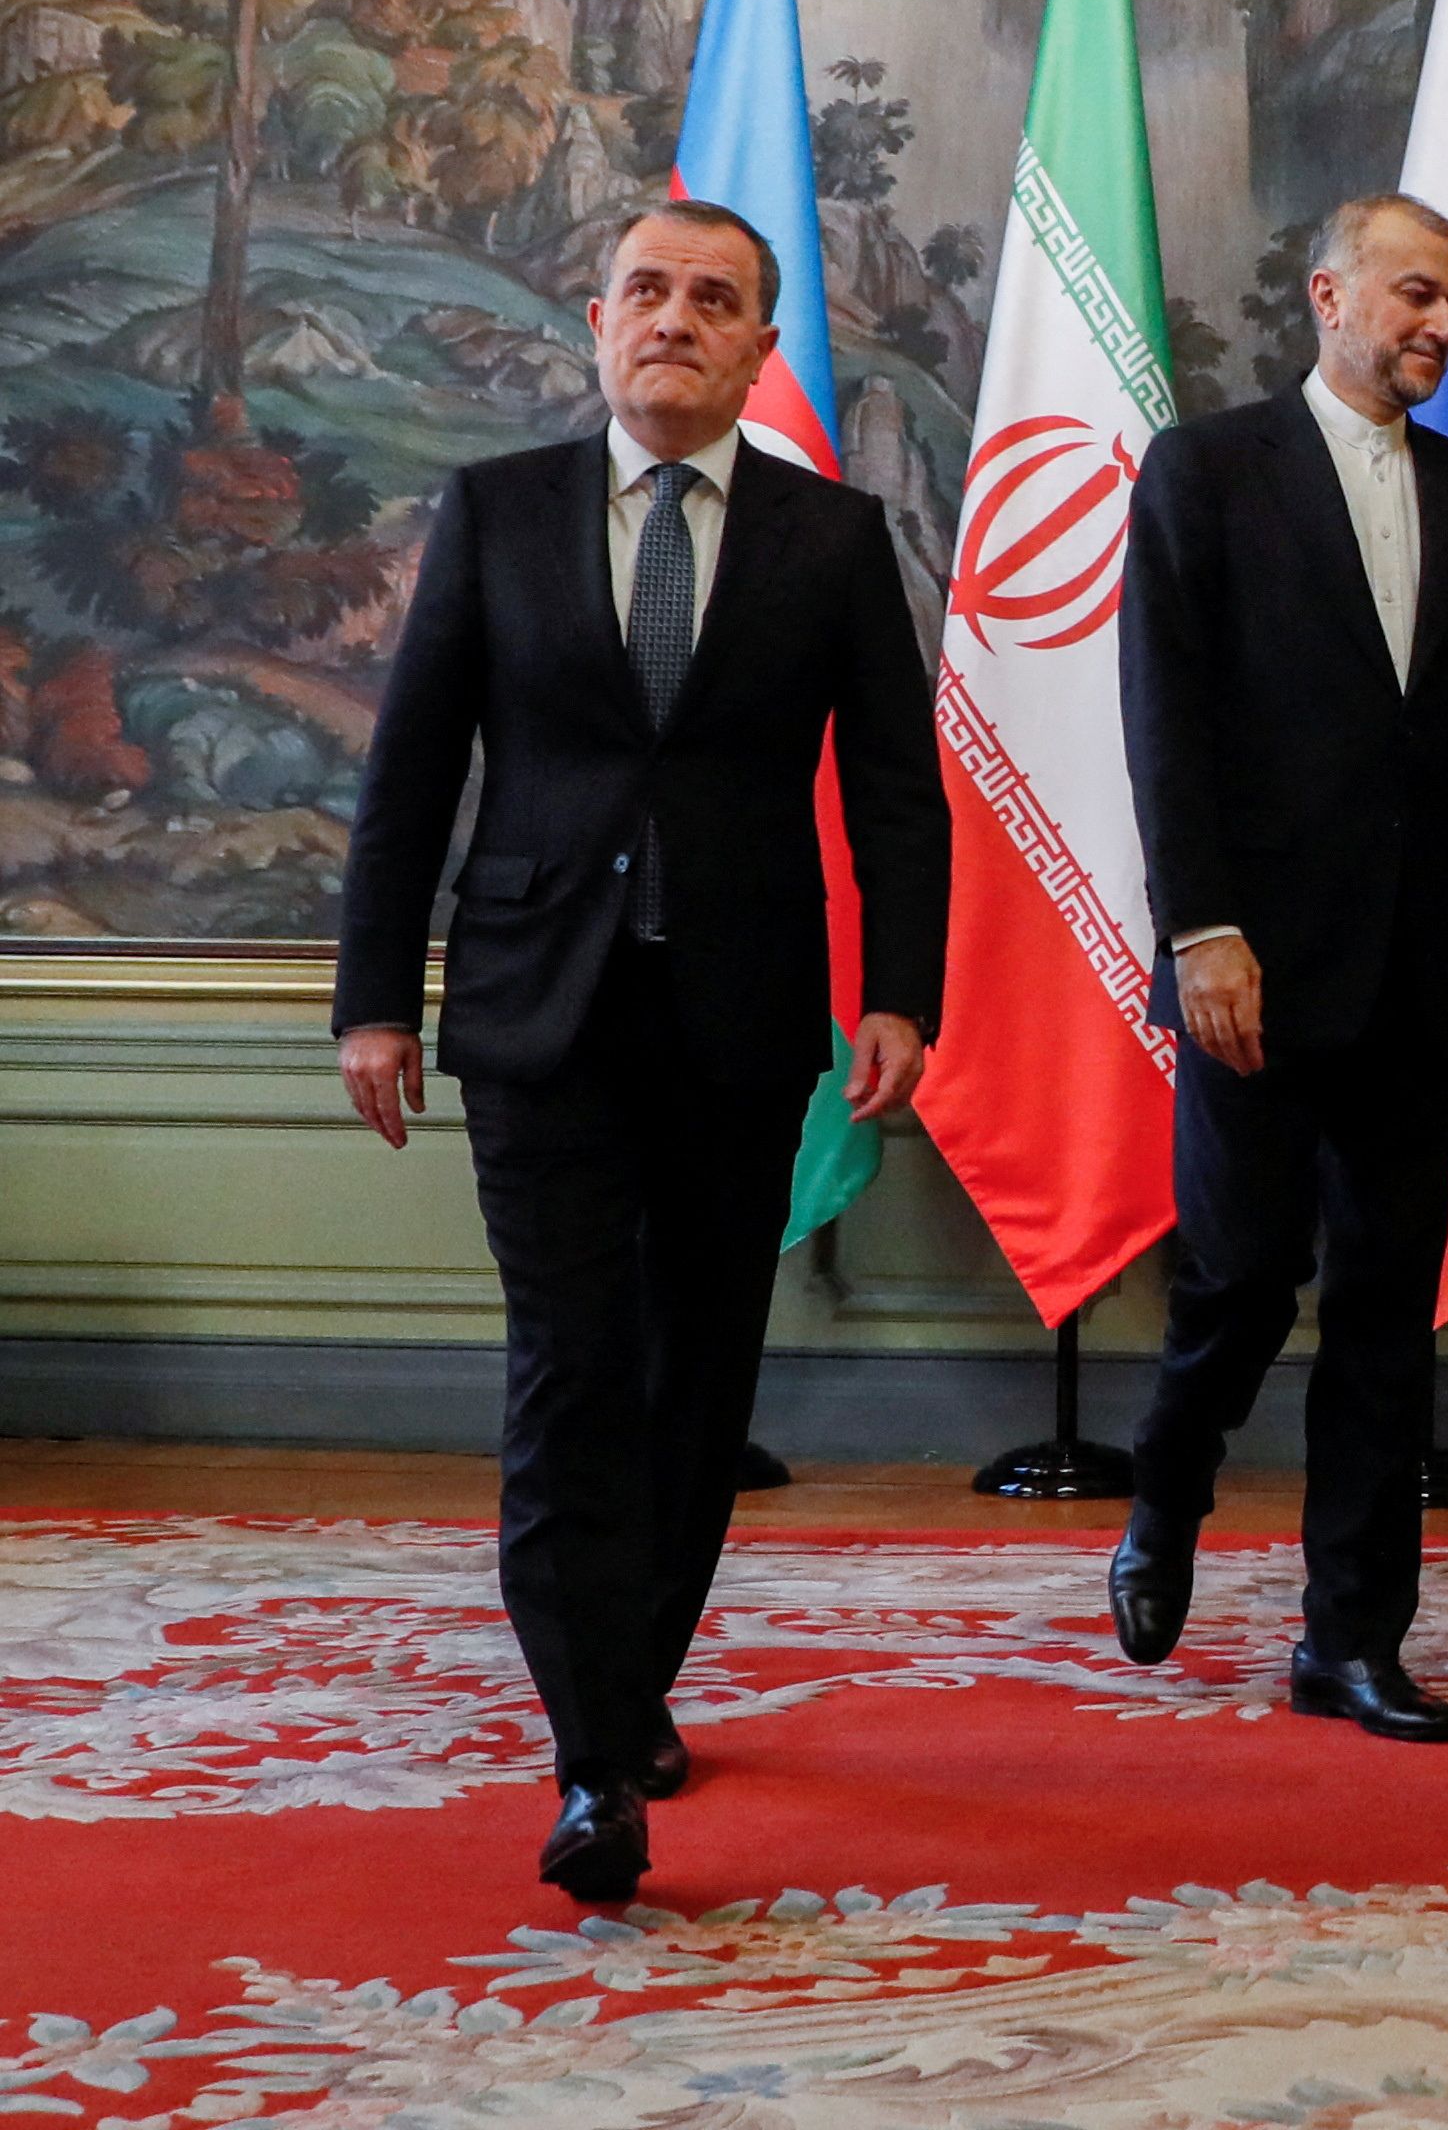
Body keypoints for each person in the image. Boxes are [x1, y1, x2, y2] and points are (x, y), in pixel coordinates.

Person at [333, 198, 946, 1904]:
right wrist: (374, 997)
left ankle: (636, 1671)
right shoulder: (497, 509)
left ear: (759, 348)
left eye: (714, 299)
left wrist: (903, 991)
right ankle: (595, 1756)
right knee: (571, 1367)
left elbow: (896, 788)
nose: (675, 317)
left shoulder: (832, 538)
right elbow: (410, 770)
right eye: (648, 290)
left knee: (697, 1378)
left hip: (742, 1019)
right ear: (598, 321)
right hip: (539, 1012)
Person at [1106, 194, 1448, 1740]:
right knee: (1239, 1282)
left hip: (1417, 976)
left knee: (1388, 1316)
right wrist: (1201, 928)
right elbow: (1165, 717)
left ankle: (1350, 1640)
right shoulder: (1207, 470)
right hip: (1253, 973)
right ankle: (1168, 1493)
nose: (1443, 325)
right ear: (1329, 296)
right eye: (1416, 294)